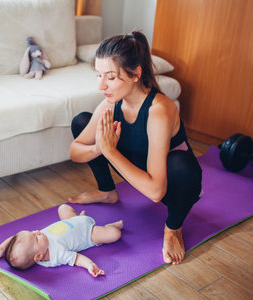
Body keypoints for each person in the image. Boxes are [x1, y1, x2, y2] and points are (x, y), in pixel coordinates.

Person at [69, 32, 202, 265]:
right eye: (99, 75)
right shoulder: (111, 103)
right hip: (138, 169)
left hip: (172, 184)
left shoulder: (159, 109)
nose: (101, 85)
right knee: (82, 121)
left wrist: (110, 151)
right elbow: (75, 150)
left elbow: (155, 192)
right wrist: (100, 148)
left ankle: (173, 228)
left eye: (110, 77)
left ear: (136, 74)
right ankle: (107, 192)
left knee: (183, 166)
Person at [0, 204, 123, 277]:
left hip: (70, 221)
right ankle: (108, 227)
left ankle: (78, 217)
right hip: (88, 232)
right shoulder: (56, 254)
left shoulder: (37, 243)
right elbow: (76, 258)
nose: (36, 231)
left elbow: (14, 238)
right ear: (39, 256)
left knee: (63, 208)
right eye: (35, 237)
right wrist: (90, 265)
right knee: (115, 234)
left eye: (32, 233)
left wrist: (2, 247)